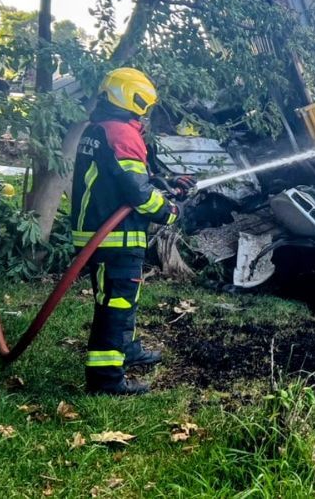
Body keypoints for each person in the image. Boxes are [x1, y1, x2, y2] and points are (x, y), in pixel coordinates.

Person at [69, 68, 194, 395]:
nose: (145, 113)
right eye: (144, 106)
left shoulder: (99, 129)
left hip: (101, 233)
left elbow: (125, 178)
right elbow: (138, 193)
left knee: (122, 300)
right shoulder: (122, 133)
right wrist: (169, 211)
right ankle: (106, 380)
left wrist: (165, 183)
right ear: (133, 99)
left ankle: (127, 349)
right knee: (115, 306)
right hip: (114, 237)